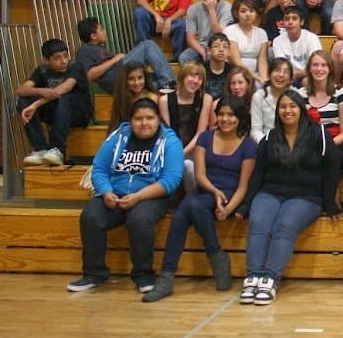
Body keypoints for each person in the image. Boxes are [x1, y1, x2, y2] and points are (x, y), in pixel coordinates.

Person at [142, 97, 257, 302]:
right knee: (184, 212)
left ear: (240, 118)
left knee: (188, 208)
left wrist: (228, 209)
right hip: (206, 189)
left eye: (230, 115)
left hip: (230, 192)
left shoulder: (249, 145)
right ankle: (209, 258)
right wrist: (214, 191)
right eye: (221, 114)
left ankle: (169, 276)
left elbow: (243, 186)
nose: (225, 119)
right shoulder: (205, 137)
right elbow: (200, 174)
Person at [67, 97, 182, 293]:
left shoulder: (170, 141)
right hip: (115, 194)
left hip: (150, 196)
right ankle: (94, 274)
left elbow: (170, 180)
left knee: (140, 219)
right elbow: (99, 168)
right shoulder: (118, 136)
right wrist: (105, 192)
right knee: (90, 216)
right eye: (138, 118)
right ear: (131, 120)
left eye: (150, 118)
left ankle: (143, 274)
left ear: (158, 119)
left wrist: (138, 197)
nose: (144, 123)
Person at [238, 89, 340, 305]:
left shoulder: (319, 134)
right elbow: (258, 174)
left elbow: (332, 168)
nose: (288, 110)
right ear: (278, 111)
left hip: (306, 196)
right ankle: (253, 276)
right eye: (283, 107)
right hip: (271, 193)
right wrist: (246, 204)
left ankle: (270, 279)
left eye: (292, 106)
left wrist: (330, 201)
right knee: (259, 222)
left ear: (301, 109)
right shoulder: (269, 137)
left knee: (284, 225)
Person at [17, 38, 92, 167]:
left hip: (79, 112)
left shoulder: (75, 67)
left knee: (64, 96)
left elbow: (64, 89)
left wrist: (35, 105)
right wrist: (42, 91)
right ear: (47, 60)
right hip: (57, 113)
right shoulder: (42, 70)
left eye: (65, 56)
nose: (63, 61)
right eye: (57, 58)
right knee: (24, 100)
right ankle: (40, 148)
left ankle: (58, 149)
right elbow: (21, 90)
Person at [75, 17, 175, 95]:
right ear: (93, 36)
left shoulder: (100, 48)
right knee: (147, 45)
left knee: (154, 78)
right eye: (101, 29)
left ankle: (164, 86)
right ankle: (168, 82)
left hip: (121, 75)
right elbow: (89, 75)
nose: (105, 31)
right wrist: (115, 59)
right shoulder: (84, 50)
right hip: (116, 78)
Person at [158, 61, 213, 190]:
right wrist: (175, 152)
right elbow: (168, 133)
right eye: (192, 76)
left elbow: (201, 132)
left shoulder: (206, 99)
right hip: (172, 148)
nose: (195, 81)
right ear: (182, 76)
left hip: (196, 149)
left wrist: (182, 153)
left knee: (188, 164)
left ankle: (192, 198)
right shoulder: (164, 100)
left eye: (200, 78)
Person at [180, 0, 234, 65]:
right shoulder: (193, 9)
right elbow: (190, 38)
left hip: (219, 44)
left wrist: (211, 10)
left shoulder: (227, 7)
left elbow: (219, 34)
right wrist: (201, 50)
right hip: (202, 45)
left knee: (211, 57)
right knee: (184, 57)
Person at [223, 0, 269, 84]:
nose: (248, 14)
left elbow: (262, 61)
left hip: (255, 74)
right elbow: (236, 62)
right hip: (235, 74)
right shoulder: (230, 31)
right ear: (236, 14)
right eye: (243, 11)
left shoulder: (262, 32)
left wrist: (264, 79)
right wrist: (256, 78)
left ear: (256, 13)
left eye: (251, 11)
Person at [270, 5, 323, 73]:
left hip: (308, 75)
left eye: (294, 19)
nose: (290, 22)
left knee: (306, 81)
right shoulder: (277, 41)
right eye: (286, 19)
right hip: (287, 76)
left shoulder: (312, 38)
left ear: (302, 22)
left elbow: (315, 66)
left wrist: (296, 74)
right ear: (283, 23)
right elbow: (281, 67)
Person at [251, 58, 293, 143]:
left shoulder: (296, 96)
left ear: (290, 78)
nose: (281, 75)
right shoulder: (258, 96)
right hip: (267, 143)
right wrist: (267, 145)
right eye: (277, 70)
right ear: (269, 74)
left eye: (285, 72)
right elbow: (256, 130)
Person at [107, 62, 157, 133]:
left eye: (140, 78)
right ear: (125, 81)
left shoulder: (152, 98)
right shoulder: (121, 98)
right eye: (131, 79)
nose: (136, 82)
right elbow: (114, 125)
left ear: (145, 78)